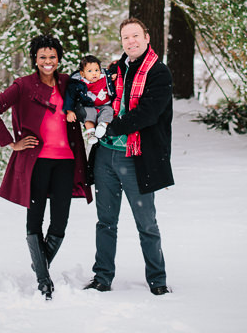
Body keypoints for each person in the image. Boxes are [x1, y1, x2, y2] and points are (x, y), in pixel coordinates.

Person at [0, 33, 92, 300]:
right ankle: (44, 280)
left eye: (52, 56)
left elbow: (96, 84)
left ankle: (38, 265)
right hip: (37, 163)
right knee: (35, 219)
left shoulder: (68, 82)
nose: (47, 61)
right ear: (34, 58)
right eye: (42, 56)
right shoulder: (23, 86)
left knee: (60, 223)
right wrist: (11, 143)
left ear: (59, 59)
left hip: (67, 162)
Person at [85, 17, 174, 295]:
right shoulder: (114, 69)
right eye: (126, 37)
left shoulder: (159, 72)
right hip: (106, 158)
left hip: (137, 159)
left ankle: (157, 281)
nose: (131, 41)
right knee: (105, 222)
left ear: (147, 38)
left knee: (146, 223)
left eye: (136, 35)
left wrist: (111, 127)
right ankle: (102, 278)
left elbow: (148, 113)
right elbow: (94, 95)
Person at [63, 55, 117, 144]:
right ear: (82, 73)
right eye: (90, 71)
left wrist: (114, 76)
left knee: (109, 111)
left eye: (96, 70)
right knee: (89, 114)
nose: (94, 73)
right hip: (89, 105)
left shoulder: (104, 77)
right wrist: (69, 111)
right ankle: (91, 132)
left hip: (105, 104)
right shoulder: (78, 83)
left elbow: (110, 78)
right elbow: (70, 97)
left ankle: (102, 126)